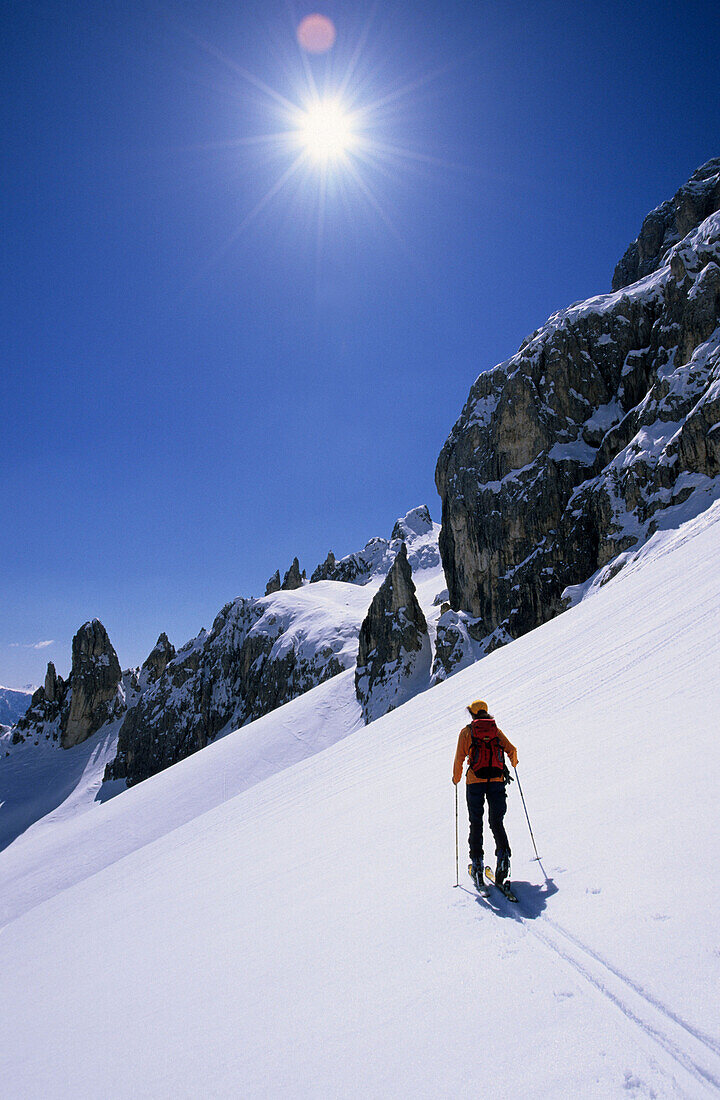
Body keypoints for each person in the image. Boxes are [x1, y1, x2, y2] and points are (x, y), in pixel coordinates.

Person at [453, 699, 518, 890]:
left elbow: (459, 758)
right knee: (497, 821)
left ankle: (478, 864)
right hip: (497, 780)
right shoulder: (495, 731)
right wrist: (513, 763)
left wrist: (456, 778)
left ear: (472, 714)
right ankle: (503, 857)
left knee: (476, 822)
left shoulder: (467, 732)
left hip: (475, 782)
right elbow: (511, 750)